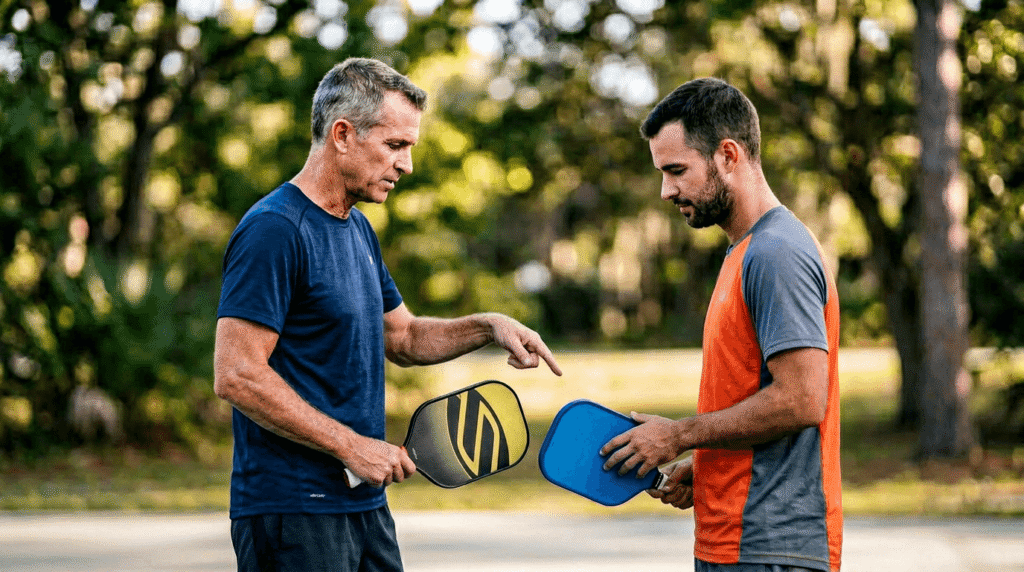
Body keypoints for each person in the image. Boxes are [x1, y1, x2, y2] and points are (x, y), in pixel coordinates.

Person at [213, 57, 562, 572]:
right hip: (293, 512)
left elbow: (402, 337)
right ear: (342, 135)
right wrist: (352, 446)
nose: (407, 165)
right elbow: (237, 374)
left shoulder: (357, 230)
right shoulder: (275, 230)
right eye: (395, 146)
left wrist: (488, 325)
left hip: (363, 505)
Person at [600, 78, 842, 572]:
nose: (666, 191)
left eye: (676, 171)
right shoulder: (745, 252)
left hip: (770, 546)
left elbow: (801, 398)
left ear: (728, 155)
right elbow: (755, 394)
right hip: (734, 541)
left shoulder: (777, 253)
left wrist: (680, 435)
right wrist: (707, 462)